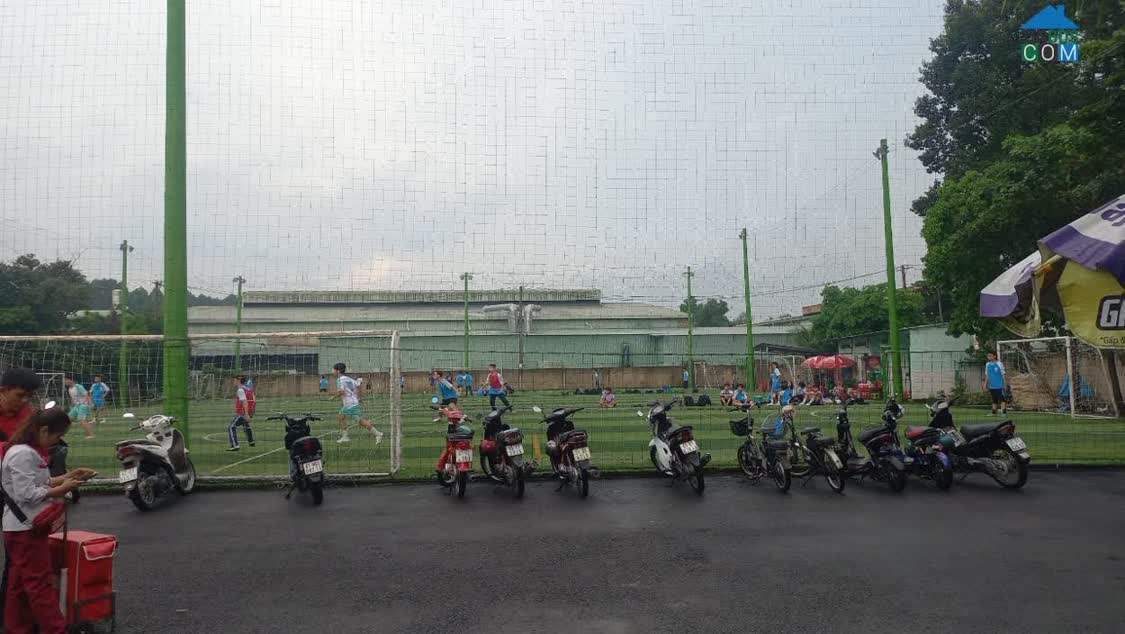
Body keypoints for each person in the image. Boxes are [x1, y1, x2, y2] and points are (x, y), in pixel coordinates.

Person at [2, 407, 95, 634]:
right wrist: (63, 488)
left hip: (20, 527)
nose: (57, 441)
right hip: (26, 529)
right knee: (40, 584)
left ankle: (18, 627)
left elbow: (40, 483)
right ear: (43, 430)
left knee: (19, 584)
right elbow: (27, 494)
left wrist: (69, 476)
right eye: (57, 435)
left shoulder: (25, 451)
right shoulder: (23, 454)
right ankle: (55, 629)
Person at [333, 363, 383, 444]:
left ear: (338, 371)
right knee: (346, 418)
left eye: (334, 370)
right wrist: (359, 398)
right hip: (353, 402)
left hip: (349, 404)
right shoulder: (349, 379)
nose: (333, 372)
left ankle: (377, 434)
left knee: (350, 418)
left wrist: (333, 397)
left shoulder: (339, 380)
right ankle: (377, 434)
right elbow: (358, 386)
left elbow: (341, 392)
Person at [227, 375, 256, 451]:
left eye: (235, 380)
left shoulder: (240, 390)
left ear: (239, 380)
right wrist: (251, 412)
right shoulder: (248, 389)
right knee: (245, 425)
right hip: (249, 411)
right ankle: (251, 441)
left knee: (231, 427)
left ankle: (235, 445)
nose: (233, 381)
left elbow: (245, 402)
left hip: (243, 412)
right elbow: (253, 400)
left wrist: (246, 414)